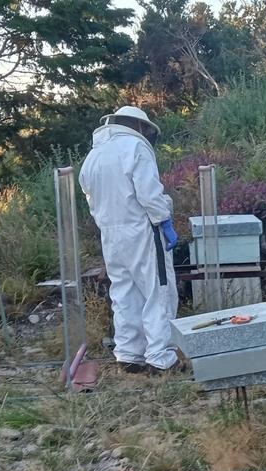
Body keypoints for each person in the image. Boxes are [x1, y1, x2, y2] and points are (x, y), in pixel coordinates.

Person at [79, 105, 180, 374]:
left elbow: (90, 197)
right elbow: (149, 194)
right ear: (137, 126)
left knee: (124, 292)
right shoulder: (136, 147)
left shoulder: (94, 155)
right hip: (142, 230)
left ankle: (129, 354)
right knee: (158, 290)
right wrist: (164, 220)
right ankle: (161, 357)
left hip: (110, 235)